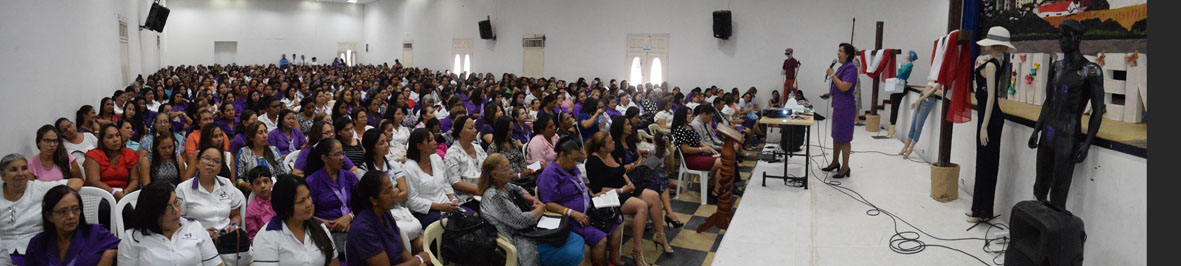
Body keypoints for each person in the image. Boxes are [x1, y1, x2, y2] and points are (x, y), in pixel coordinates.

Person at [478, 154, 585, 266]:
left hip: (530, 231)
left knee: (576, 239)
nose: (511, 171)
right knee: (573, 252)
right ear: (494, 174)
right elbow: (521, 222)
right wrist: (541, 208)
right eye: (507, 168)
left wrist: (532, 198)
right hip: (521, 240)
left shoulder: (504, 186)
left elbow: (518, 189)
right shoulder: (494, 197)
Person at [585, 131, 672, 265]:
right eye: (610, 142)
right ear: (602, 147)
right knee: (641, 206)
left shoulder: (610, 153)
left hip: (623, 189)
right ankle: (637, 251)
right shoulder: (593, 162)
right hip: (610, 196)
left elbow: (621, 171)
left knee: (654, 196)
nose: (614, 143)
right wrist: (621, 190)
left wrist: (628, 183)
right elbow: (598, 190)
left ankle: (660, 235)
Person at [536, 136, 614, 266]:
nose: (575, 164)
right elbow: (548, 204)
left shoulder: (572, 169)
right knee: (601, 240)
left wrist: (593, 195)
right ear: (561, 155)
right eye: (573, 160)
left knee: (615, 220)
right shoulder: (550, 174)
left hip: (586, 211)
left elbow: (582, 186)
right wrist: (572, 213)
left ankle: (613, 259)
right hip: (569, 219)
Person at [0, 154, 84, 265]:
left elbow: (77, 181)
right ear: (3, 175)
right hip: (3, 248)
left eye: (24, 168)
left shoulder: (39, 188)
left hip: (35, 247)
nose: (20, 173)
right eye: (13, 170)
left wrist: (56, 199)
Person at [117, 182, 223, 266]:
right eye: (168, 207)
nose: (176, 210)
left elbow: (215, 263)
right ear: (152, 212)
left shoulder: (194, 227)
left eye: (176, 202)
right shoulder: (133, 238)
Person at [176, 146, 250, 264]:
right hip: (198, 239)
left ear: (220, 168)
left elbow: (235, 214)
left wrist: (234, 225)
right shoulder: (183, 189)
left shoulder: (226, 184)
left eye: (216, 161)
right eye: (207, 159)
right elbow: (178, 220)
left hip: (226, 238)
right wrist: (201, 232)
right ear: (197, 163)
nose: (211, 164)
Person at [346, 171, 432, 266]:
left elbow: (401, 251)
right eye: (388, 191)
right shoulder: (362, 229)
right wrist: (418, 259)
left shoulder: (385, 213)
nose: (394, 193)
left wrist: (419, 263)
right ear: (373, 200)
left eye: (392, 188)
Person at [252, 174, 340, 266]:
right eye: (301, 201)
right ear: (286, 206)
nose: (309, 204)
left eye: (308, 197)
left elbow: (333, 263)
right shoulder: (267, 237)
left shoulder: (320, 228)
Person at [359, 129, 424, 251]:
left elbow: (405, 193)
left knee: (421, 243)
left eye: (386, 141)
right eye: (381, 143)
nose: (386, 145)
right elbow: (371, 201)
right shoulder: (363, 171)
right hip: (380, 215)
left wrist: (388, 195)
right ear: (372, 147)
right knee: (403, 239)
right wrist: (394, 192)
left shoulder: (393, 165)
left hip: (400, 210)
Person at [25, 185, 121, 265]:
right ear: (49, 216)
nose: (71, 216)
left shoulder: (95, 233)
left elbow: (124, 249)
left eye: (75, 209)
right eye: (63, 211)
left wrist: (109, 255)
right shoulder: (38, 243)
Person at [403, 128, 473, 227]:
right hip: (425, 211)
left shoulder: (436, 158)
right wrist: (440, 207)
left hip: (445, 204)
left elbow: (445, 183)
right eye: (430, 140)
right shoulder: (409, 168)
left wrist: (453, 199)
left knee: (473, 216)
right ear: (419, 146)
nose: (435, 143)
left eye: (434, 139)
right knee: (454, 225)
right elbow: (412, 201)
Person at [304, 138, 358, 259]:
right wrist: (326, 224)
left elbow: (363, 203)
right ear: (324, 158)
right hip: (327, 231)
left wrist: (350, 216)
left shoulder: (349, 176)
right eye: (337, 154)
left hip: (353, 225)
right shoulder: (312, 181)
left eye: (342, 153)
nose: (342, 158)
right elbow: (306, 215)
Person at [820, 43, 859, 179]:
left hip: (846, 109)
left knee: (844, 139)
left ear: (847, 54)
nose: (838, 53)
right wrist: (830, 94)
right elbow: (839, 88)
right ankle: (835, 162)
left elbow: (844, 87)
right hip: (838, 106)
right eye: (838, 50)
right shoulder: (842, 67)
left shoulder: (852, 68)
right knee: (836, 137)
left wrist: (832, 75)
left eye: (840, 51)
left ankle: (845, 167)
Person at [671, 107, 723, 198]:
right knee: (723, 163)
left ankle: (713, 187)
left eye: (691, 113)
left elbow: (699, 141)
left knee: (724, 162)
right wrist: (702, 149)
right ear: (681, 115)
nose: (691, 115)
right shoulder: (679, 130)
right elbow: (685, 149)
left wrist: (709, 148)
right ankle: (715, 190)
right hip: (690, 159)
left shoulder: (690, 127)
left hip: (698, 155)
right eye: (688, 113)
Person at [85, 124, 140, 200]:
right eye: (110, 137)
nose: (115, 139)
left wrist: (126, 192)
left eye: (117, 135)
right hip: (98, 196)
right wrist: (113, 193)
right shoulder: (93, 155)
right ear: (102, 140)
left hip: (123, 195)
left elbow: (134, 179)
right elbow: (93, 181)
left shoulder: (130, 154)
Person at [487, 116, 537, 193]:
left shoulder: (513, 142)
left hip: (522, 177)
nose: (511, 133)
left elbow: (520, 159)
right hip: (507, 182)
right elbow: (495, 173)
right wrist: (517, 175)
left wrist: (524, 170)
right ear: (502, 130)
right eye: (508, 130)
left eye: (512, 130)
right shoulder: (493, 148)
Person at [443, 116, 487, 201]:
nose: (475, 130)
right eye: (471, 128)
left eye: (474, 127)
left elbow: (489, 168)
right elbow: (456, 183)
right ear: (460, 133)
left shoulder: (478, 148)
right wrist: (480, 191)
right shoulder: (452, 154)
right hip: (466, 195)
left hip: (485, 190)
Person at [237, 122, 287, 189]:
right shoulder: (243, 153)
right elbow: (239, 180)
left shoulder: (274, 150)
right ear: (251, 137)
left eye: (266, 132)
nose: (265, 135)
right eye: (260, 133)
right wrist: (250, 187)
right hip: (252, 191)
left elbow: (282, 174)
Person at [242, 166, 276, 242]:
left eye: (265, 181)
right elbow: (253, 236)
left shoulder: (280, 200)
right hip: (265, 243)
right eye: (258, 183)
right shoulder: (251, 210)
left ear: (271, 183)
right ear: (252, 187)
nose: (263, 186)